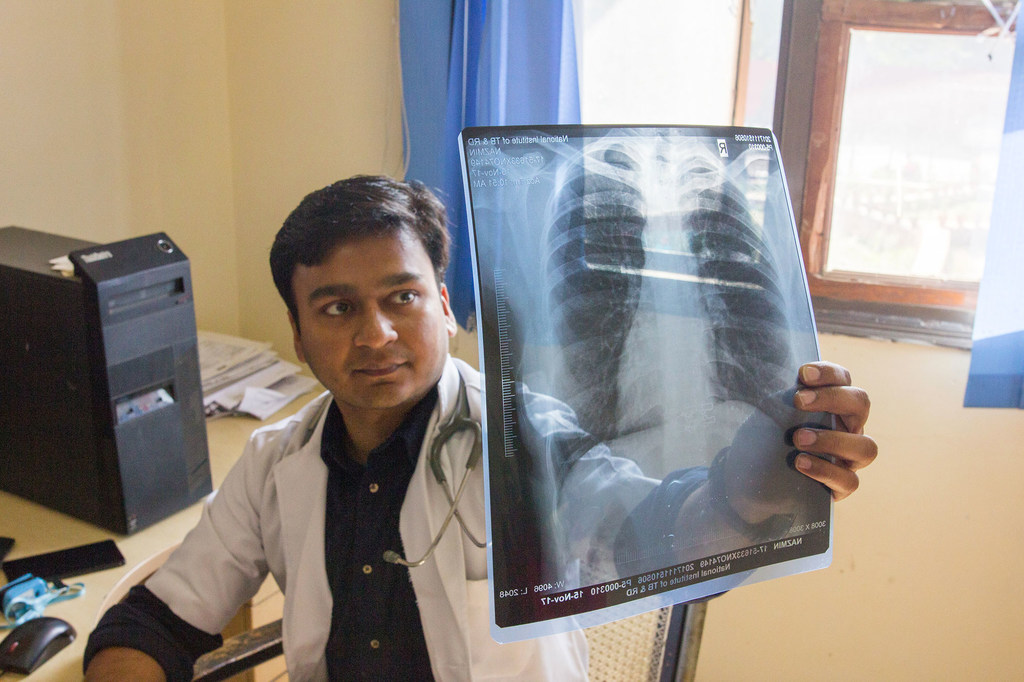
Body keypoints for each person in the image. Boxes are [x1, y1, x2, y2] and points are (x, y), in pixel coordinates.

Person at [83, 175, 877, 682]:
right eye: (338, 308)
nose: (377, 335)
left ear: (448, 309)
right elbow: (153, 620)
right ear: (297, 336)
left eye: (403, 297)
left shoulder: (526, 438)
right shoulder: (275, 459)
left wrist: (744, 497)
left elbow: (658, 529)